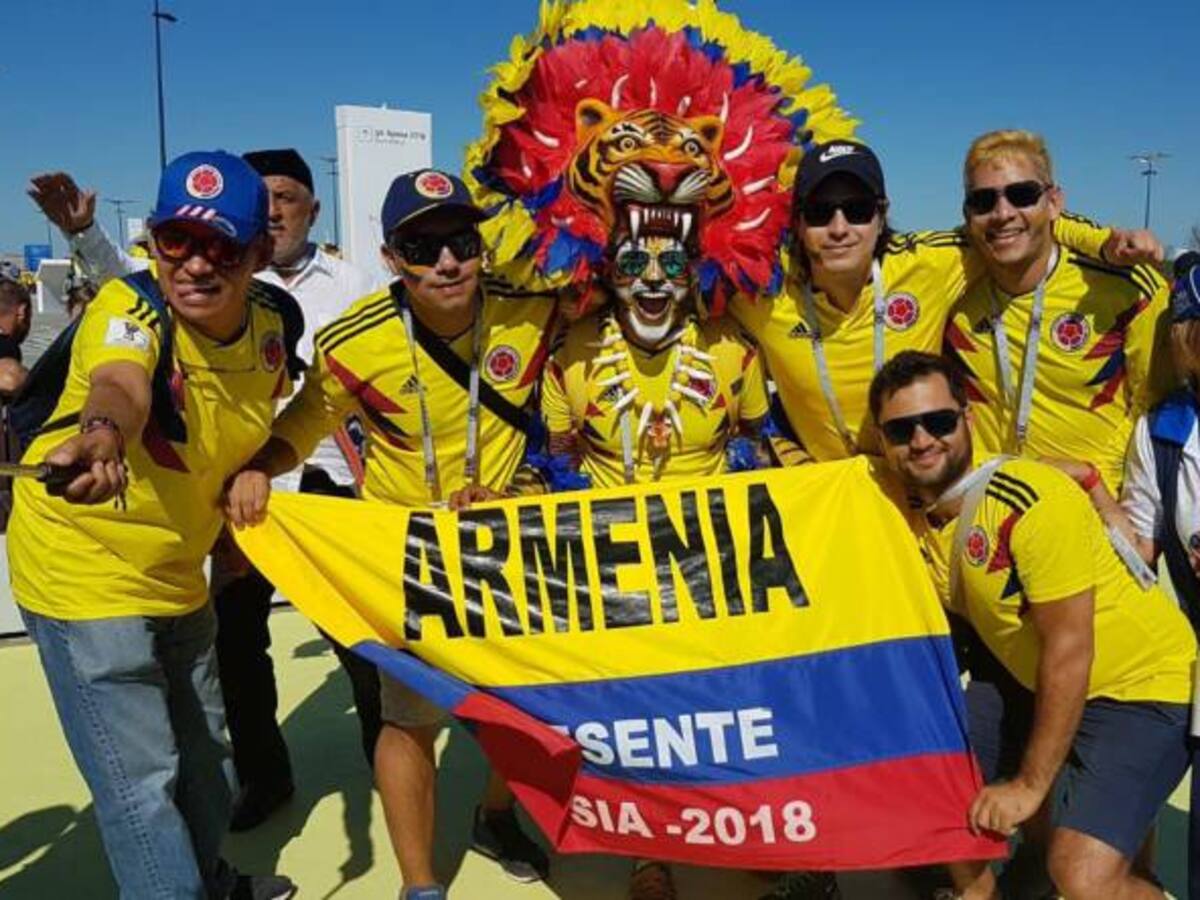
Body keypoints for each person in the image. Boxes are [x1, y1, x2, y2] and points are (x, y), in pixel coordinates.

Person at [225, 169, 555, 900]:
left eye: (461, 242)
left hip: (509, 545)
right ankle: (420, 884)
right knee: (408, 724)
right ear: (391, 257)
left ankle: (495, 817)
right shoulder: (356, 339)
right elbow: (301, 425)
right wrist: (259, 468)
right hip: (407, 561)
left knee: (528, 712)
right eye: (422, 247)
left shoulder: (534, 310)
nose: (447, 262)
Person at [29, 153, 381, 831]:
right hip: (236, 501)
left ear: (309, 211)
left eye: (286, 198)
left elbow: (356, 382)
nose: (274, 210)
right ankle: (264, 779)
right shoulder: (195, 280)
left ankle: (382, 759)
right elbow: (130, 309)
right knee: (238, 648)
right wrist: (82, 235)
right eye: (264, 198)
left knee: (357, 641)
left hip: (322, 488)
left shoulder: (349, 283)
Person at [9, 151, 297, 899]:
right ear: (153, 243)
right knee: (139, 784)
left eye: (221, 247)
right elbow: (120, 383)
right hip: (82, 568)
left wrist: (253, 475)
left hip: (177, 571)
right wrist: (102, 435)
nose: (195, 265)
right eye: (177, 241)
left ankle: (209, 883)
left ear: (258, 253)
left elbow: (254, 425)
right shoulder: (128, 311)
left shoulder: (274, 327)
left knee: (208, 763)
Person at [870, 350, 1195, 900]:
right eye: (901, 430)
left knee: (1083, 875)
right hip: (1034, 677)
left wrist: (1028, 785)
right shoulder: (903, 503)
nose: (922, 440)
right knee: (925, 778)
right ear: (881, 440)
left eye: (939, 421)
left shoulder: (1028, 501)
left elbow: (1070, 649)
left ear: (968, 417)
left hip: (1140, 687)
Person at [542, 224, 769, 900]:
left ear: (694, 271)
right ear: (606, 272)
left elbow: (759, 440)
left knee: (725, 708)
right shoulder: (572, 353)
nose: (651, 279)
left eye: (671, 263)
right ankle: (648, 855)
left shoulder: (733, 350)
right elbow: (556, 460)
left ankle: (747, 829)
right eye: (633, 261)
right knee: (632, 720)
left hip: (711, 567)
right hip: (614, 573)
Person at [728, 138, 1159, 464]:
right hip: (833, 500)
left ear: (881, 215)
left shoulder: (929, 265)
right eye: (820, 213)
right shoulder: (758, 292)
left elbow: (1015, 227)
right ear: (798, 223)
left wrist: (1101, 241)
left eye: (857, 210)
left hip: (927, 496)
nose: (839, 228)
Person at [944, 129, 1172, 493]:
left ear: (1053, 202)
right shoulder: (950, 288)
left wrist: (1099, 486)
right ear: (968, 213)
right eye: (983, 201)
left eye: (1022, 195)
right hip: (989, 506)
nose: (1002, 213)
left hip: (1095, 504)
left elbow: (1155, 408)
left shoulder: (1130, 289)